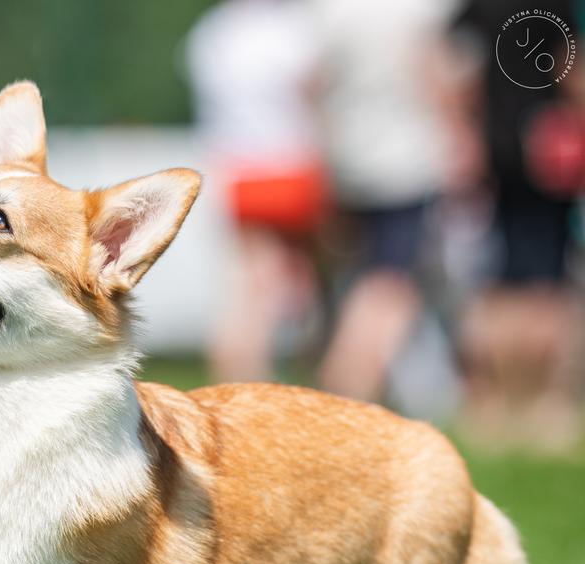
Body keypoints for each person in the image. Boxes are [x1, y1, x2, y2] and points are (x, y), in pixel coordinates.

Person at [310, 0, 463, 404]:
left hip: (350, 160)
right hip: (406, 162)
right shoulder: (418, 9)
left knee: (364, 277)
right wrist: (461, 138)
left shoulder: (331, 10)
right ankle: (349, 392)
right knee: (391, 286)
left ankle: (347, 385)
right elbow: (434, 74)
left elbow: (316, 85)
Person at [448, 0, 584, 452]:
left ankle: (497, 403)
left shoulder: (478, 6)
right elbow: (571, 72)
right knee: (546, 284)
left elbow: (451, 63)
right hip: (548, 156)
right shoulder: (555, 4)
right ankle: (542, 406)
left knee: (501, 281)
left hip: (498, 153)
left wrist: (464, 130)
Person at [182, 0, 326, 383]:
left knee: (248, 282)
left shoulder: (211, 32)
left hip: (235, 170)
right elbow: (313, 93)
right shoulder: (293, 28)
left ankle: (236, 370)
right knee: (286, 279)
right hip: (290, 166)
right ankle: (259, 374)